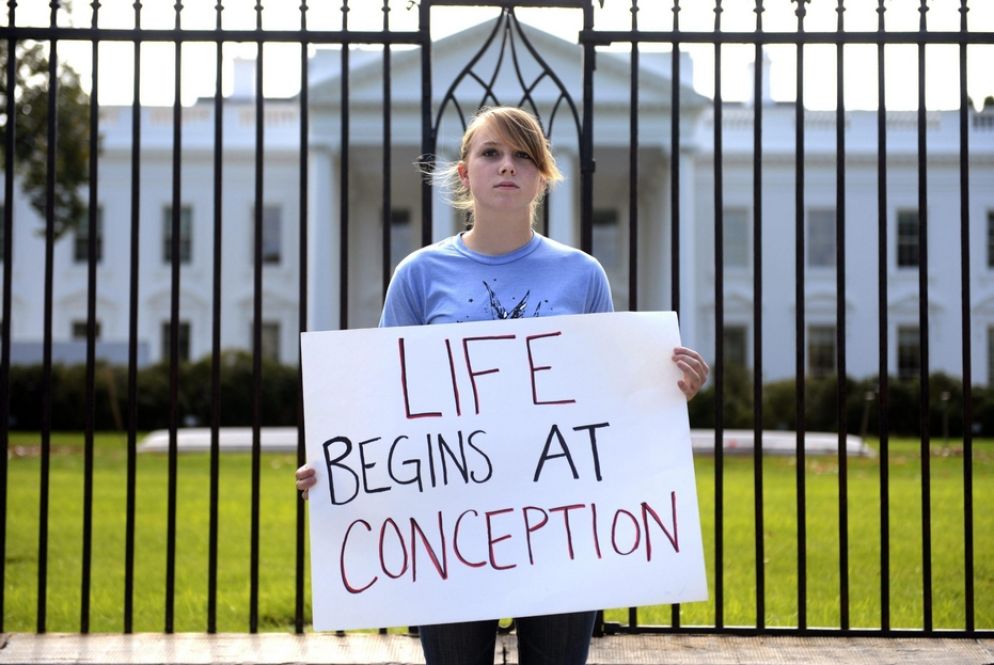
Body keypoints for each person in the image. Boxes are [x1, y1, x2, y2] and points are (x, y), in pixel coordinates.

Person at [295, 106, 709, 665]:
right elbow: (385, 398)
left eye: (523, 156)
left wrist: (663, 394)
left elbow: (607, 399)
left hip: (562, 530)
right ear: (464, 172)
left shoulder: (583, 275)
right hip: (452, 531)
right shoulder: (419, 274)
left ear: (543, 176)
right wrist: (340, 465)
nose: (506, 166)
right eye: (490, 153)